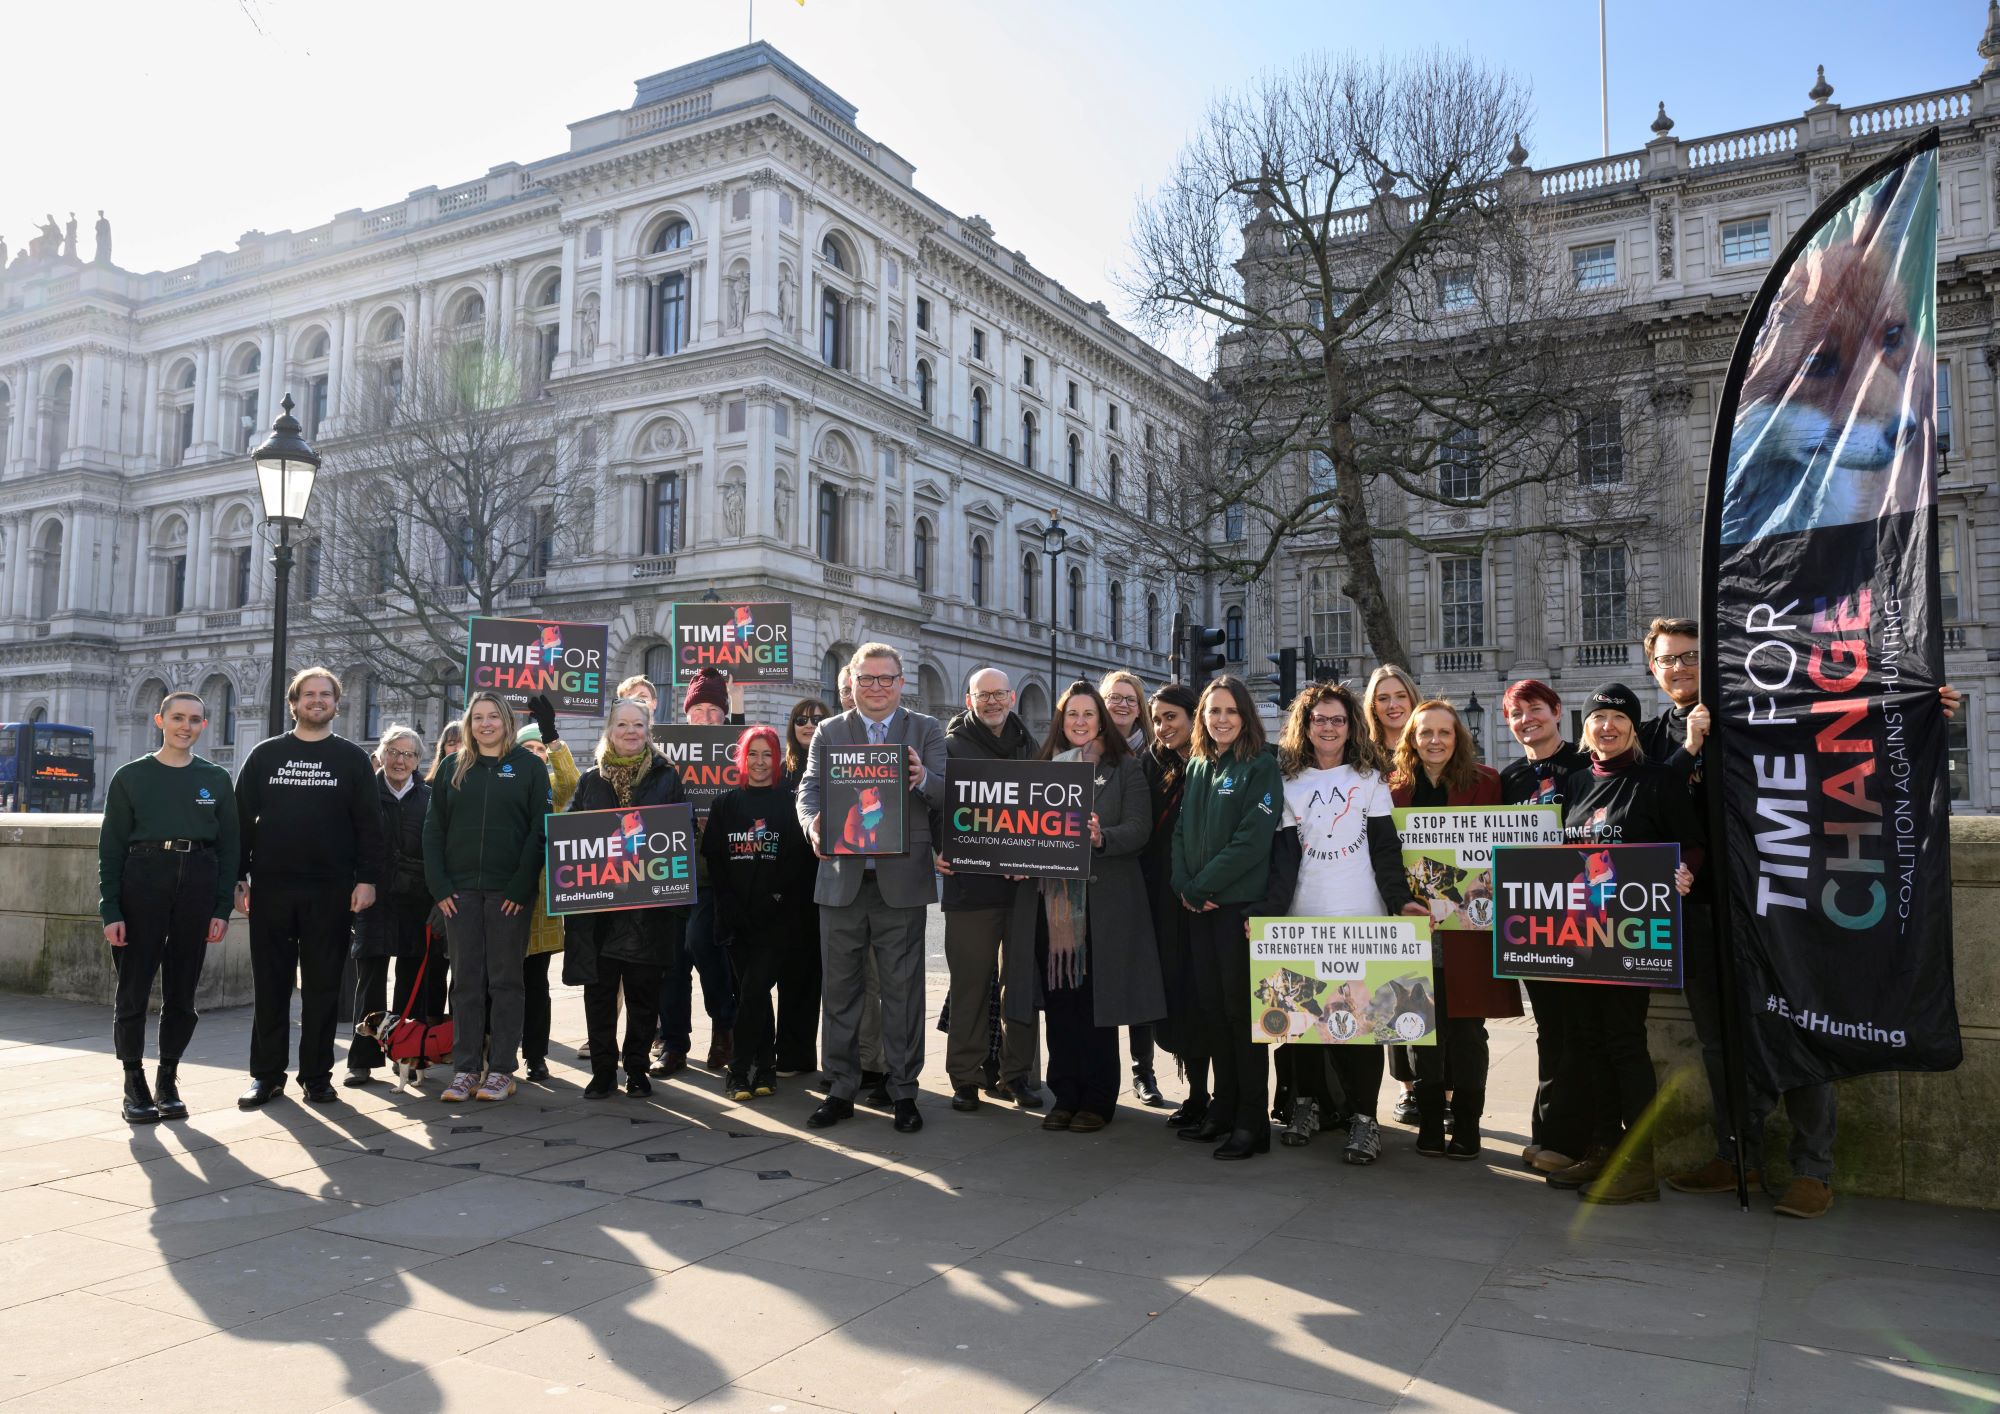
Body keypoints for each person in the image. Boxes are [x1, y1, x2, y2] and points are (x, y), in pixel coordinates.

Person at [1642, 617, 1963, 1219]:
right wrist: (1689, 746)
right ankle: (1738, 1154)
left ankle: (1813, 1168)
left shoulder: (1767, 705)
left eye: (1690, 657)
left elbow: (1853, 725)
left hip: (1781, 901)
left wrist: (1924, 706)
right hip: (1702, 910)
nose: (1679, 668)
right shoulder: (1655, 734)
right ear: (1652, 669)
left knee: (1799, 1021)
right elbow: (1642, 805)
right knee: (1720, 1041)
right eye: (1667, 661)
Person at [1262, 683, 1426, 1163]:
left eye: (1337, 720)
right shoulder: (1287, 781)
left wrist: (1402, 903)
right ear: (1305, 727)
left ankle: (1364, 1119)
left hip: (1362, 917)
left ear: (1351, 725)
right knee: (1305, 1024)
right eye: (1319, 720)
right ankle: (1308, 1106)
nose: (1329, 727)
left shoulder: (1370, 777)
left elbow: (1385, 849)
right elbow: (1281, 859)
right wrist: (1268, 917)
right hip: (1302, 918)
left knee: (1364, 1025)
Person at [1552, 682, 1700, 1204]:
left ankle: (1639, 1167)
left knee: (1623, 1042)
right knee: (1588, 1041)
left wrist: (1684, 871)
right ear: (1585, 727)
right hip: (1579, 935)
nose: (1606, 727)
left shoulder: (1657, 781)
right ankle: (1603, 1148)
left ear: (1633, 727)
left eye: (1617, 718)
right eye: (1597, 719)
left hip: (1630, 936)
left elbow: (1692, 844)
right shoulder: (1572, 783)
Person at [797, 642, 948, 1134]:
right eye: (867, 679)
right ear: (852, 684)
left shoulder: (924, 729)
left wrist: (923, 776)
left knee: (903, 994)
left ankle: (904, 1092)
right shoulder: (829, 731)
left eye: (886, 679)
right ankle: (840, 1088)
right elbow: (810, 789)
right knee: (840, 991)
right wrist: (812, 825)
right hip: (841, 880)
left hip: (900, 882)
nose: (877, 688)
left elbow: (947, 790)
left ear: (901, 683)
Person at [1008, 681, 1161, 1133]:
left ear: (1101, 721)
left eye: (1088, 714)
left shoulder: (1126, 768)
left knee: (1096, 1007)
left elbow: (1139, 828)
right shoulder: (1042, 769)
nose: (1079, 722)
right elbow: (1021, 829)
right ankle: (1064, 1094)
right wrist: (1015, 857)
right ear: (1061, 720)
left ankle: (1098, 1099)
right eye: (1071, 714)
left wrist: (1102, 837)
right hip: (1052, 907)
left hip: (1104, 906)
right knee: (1060, 1005)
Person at [234, 667, 387, 1109]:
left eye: (325, 695)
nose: (317, 701)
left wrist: (367, 879)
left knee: (322, 988)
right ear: (293, 703)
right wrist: (238, 878)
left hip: (332, 890)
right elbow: (242, 821)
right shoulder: (265, 755)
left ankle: (317, 1076)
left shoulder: (352, 759)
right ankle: (266, 1076)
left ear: (337, 704)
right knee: (271, 985)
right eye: (308, 695)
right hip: (271, 889)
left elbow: (369, 827)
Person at [97, 690, 238, 1123]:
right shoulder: (130, 776)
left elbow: (231, 848)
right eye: (177, 717)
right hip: (144, 878)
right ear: (160, 721)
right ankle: (133, 1080)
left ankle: (168, 1077)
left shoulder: (215, 778)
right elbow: (111, 848)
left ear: (204, 726)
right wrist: (112, 910)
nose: (186, 726)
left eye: (195, 720)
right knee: (134, 987)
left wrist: (221, 907)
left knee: (182, 990)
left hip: (197, 879)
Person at [1388, 699, 1516, 1158]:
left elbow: (1503, 849)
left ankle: (1466, 1125)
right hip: (1415, 931)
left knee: (1467, 1031)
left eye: (1444, 732)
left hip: (1467, 933)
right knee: (1420, 1029)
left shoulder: (1486, 783)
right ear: (1412, 739)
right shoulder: (1393, 789)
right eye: (1426, 733)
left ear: (1458, 737)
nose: (1435, 740)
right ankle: (1427, 1122)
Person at [1170, 675, 1283, 1160]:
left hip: (1234, 909)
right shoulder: (1198, 765)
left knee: (1241, 1017)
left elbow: (1252, 841)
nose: (1221, 720)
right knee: (1213, 1012)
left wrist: (1204, 887)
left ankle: (1252, 1120)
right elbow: (1179, 835)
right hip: (1198, 907)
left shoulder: (1261, 766)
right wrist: (1185, 887)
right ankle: (1224, 1104)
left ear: (1246, 717)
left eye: (1230, 711)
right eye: (1213, 712)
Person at [423, 689, 551, 1103]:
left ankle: (501, 1070)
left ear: (506, 721)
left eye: (493, 716)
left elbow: (539, 830)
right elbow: (433, 831)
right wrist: (440, 886)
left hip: (509, 894)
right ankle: (464, 1070)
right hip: (458, 894)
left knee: (506, 982)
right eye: (478, 717)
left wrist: (520, 884)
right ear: (469, 723)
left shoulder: (529, 767)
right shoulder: (451, 768)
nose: (485, 723)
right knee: (466, 983)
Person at [936, 668, 1044, 1112]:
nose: (993, 702)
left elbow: (1041, 812)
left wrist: (1035, 856)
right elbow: (929, 808)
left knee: (1019, 987)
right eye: (984, 695)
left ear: (1013, 697)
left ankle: (1016, 1075)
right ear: (969, 701)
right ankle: (964, 1076)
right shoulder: (948, 747)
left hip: (1021, 893)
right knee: (970, 986)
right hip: (968, 891)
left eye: (1000, 694)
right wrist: (934, 854)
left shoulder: (1030, 747)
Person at [565, 699, 686, 1097]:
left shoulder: (667, 777)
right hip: (598, 913)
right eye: (622, 725)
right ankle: (602, 1072)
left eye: (638, 724)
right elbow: (571, 836)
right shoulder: (589, 781)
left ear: (648, 729)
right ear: (609, 730)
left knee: (642, 998)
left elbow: (678, 837)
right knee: (599, 997)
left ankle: (636, 1069)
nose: (631, 731)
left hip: (647, 912)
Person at [1497, 680, 1594, 1175]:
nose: (1526, 720)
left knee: (1577, 1030)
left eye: (1535, 709)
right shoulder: (1509, 778)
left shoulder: (1584, 765)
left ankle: (1572, 1138)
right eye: (1516, 714)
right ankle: (1546, 1130)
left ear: (1557, 711)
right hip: (1532, 924)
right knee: (1549, 1031)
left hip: (1582, 919)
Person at [703, 724, 816, 1101]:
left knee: (752, 990)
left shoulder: (790, 801)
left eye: (767, 754)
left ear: (777, 759)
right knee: (753, 993)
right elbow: (716, 861)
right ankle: (764, 1066)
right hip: (735, 921)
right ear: (742, 758)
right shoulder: (725, 804)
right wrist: (729, 905)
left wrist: (775, 900)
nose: (760, 761)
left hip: (777, 921)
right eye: (753, 753)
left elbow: (798, 862)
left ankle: (738, 1070)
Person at [346, 724, 444, 1086]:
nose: (400, 760)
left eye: (408, 754)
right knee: (370, 979)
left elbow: (438, 851)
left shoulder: (430, 798)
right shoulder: (363, 793)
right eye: (393, 752)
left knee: (411, 984)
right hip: (372, 899)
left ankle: (408, 1054)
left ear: (419, 760)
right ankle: (362, 1058)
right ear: (381, 754)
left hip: (416, 901)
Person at [656, 666, 742, 1076]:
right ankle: (673, 1043)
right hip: (669, 874)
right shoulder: (665, 756)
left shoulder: (736, 754)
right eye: (699, 709)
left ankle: (724, 1028)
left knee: (705, 950)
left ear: (724, 716)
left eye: (714, 710)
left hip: (713, 877)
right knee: (671, 963)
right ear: (686, 713)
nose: (706, 717)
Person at [1141, 683, 1205, 1126]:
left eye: (1171, 717)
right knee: (1178, 995)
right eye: (1158, 719)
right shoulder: (1150, 763)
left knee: (1209, 997)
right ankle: (1196, 1094)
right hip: (1164, 897)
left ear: (1192, 716)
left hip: (1209, 897)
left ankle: (1223, 1095)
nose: (1164, 727)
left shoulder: (1213, 764)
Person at [1099, 669, 1164, 1106]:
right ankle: (1104, 1071)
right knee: (1103, 977)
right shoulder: (1086, 754)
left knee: (1139, 977)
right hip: (1104, 876)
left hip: (1149, 875)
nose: (1122, 705)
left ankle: (1144, 1070)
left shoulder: (1156, 755)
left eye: (1130, 699)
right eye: (1114, 698)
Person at [1362, 663, 1423, 1119]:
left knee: (1429, 989)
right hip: (1375, 882)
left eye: (1399, 694)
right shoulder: (1363, 758)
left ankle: (1440, 1090)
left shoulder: (1429, 745)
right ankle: (1407, 1087)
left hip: (1429, 886)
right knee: (1393, 986)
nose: (1392, 704)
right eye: (1382, 697)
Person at [514, 696, 579, 1083]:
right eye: (529, 747)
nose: (535, 754)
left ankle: (535, 1054)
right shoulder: (503, 778)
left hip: (539, 901)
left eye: (540, 749)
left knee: (536, 983)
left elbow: (570, 778)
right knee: (499, 982)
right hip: (501, 895)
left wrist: (552, 737)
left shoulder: (553, 788)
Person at [775, 696, 832, 1073]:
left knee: (829, 978)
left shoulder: (837, 766)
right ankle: (792, 1054)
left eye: (816, 719)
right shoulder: (781, 770)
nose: (808, 725)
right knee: (793, 973)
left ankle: (837, 1061)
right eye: (801, 719)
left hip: (830, 879)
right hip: (790, 886)